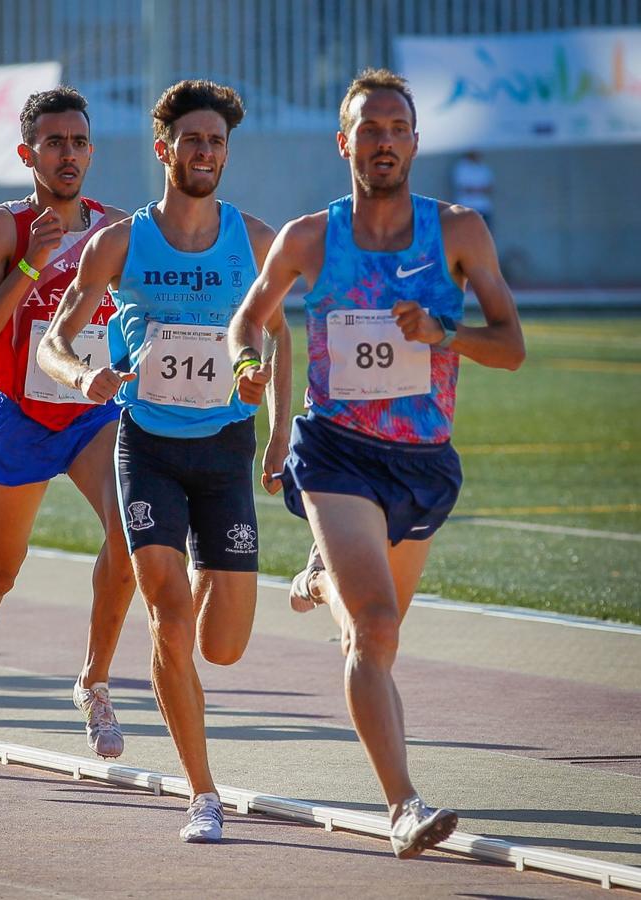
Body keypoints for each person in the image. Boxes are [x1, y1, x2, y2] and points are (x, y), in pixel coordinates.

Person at [228, 68, 524, 859]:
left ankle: (323, 575)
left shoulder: (459, 232)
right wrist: (244, 367)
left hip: (423, 463)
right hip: (335, 452)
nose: (383, 141)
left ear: (416, 142)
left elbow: (513, 347)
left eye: (397, 128)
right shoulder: (308, 238)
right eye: (369, 129)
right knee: (376, 628)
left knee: (378, 625)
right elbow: (248, 320)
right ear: (343, 142)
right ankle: (403, 806)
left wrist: (444, 334)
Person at [39, 79, 291, 843]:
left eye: (216, 141)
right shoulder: (119, 243)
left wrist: (279, 428)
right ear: (164, 149)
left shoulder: (253, 237)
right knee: (171, 627)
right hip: (145, 448)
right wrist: (87, 375)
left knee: (223, 643)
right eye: (192, 141)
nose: (206, 152)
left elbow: (276, 336)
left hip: (225, 452)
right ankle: (202, 795)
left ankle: (211, 594)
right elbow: (54, 341)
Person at [0, 87, 136, 756]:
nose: (69, 154)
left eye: (80, 142)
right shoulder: (2, 227)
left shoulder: (116, 228)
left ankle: (95, 681)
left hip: (92, 414)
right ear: (28, 153)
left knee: (132, 537)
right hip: (22, 415)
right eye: (54, 142)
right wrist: (30, 265)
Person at [452, 150, 494, 232]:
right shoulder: (461, 168)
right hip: (466, 206)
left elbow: (489, 187)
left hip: (484, 207)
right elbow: (463, 187)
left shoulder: (483, 167)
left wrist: (476, 189)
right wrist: (479, 189)